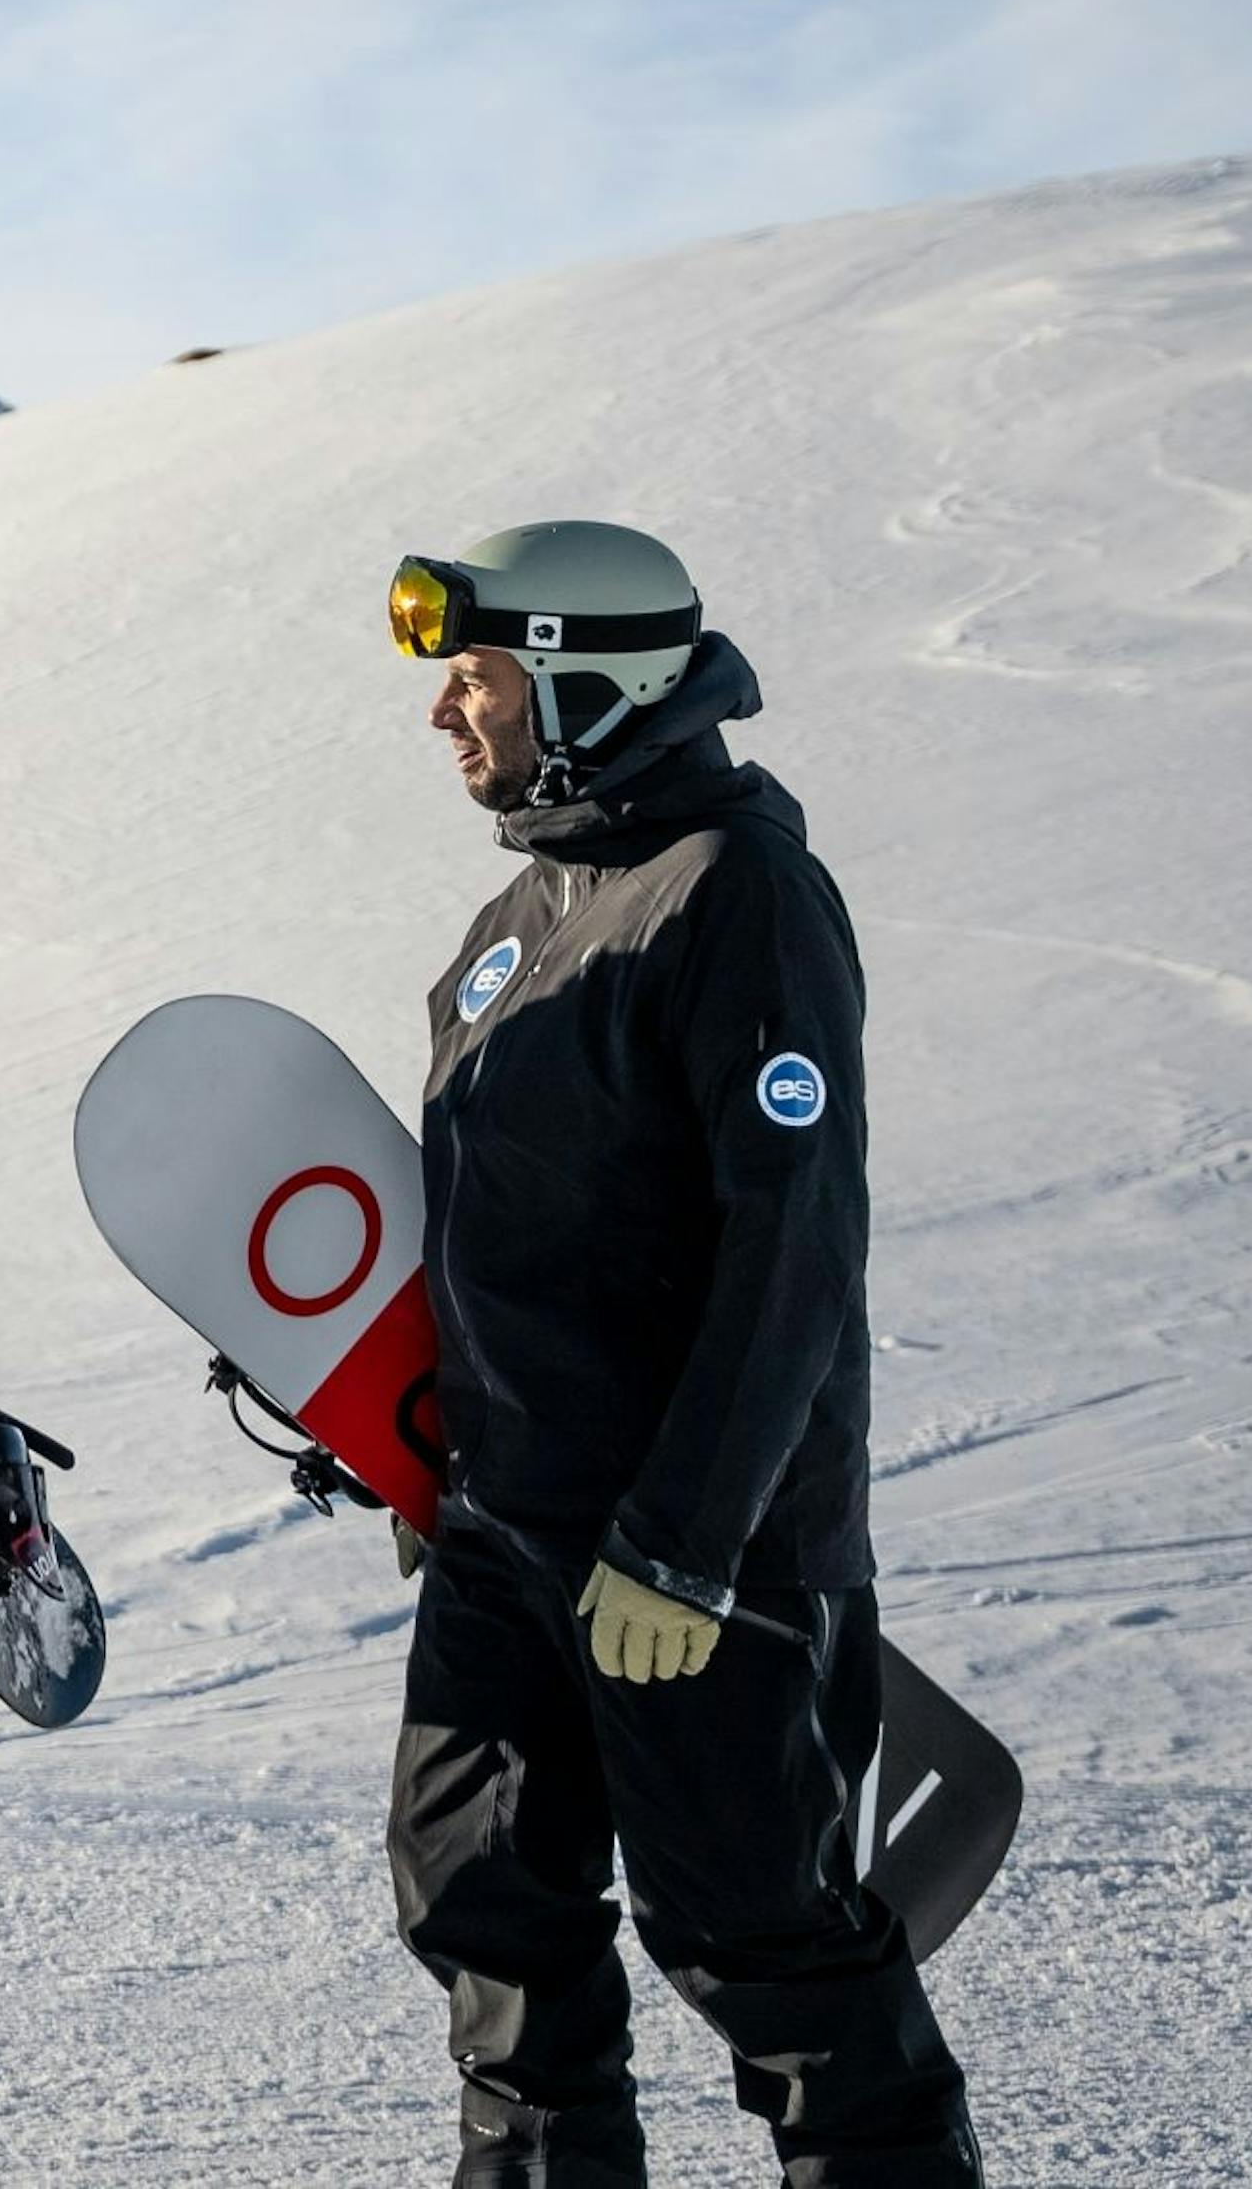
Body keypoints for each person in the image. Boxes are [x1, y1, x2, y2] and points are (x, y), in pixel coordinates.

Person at [381, 521, 981, 2189]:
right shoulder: (524, 911)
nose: (447, 708)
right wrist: (427, 1449)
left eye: (478, 672)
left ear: (590, 674)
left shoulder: (740, 893)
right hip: (508, 1531)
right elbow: (501, 1237)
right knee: (478, 1902)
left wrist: (686, 1541)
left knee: (761, 1944)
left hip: (689, 1552)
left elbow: (792, 1251)